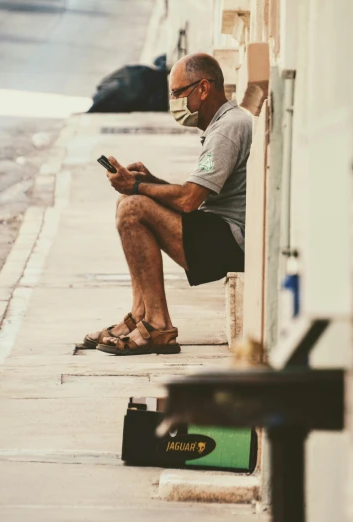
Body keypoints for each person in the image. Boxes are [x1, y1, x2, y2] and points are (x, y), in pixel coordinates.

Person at [83, 53, 252, 355]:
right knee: (129, 201)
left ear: (203, 88)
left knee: (133, 206)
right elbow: (196, 192)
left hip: (229, 241)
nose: (173, 101)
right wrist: (150, 181)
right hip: (216, 229)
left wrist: (137, 185)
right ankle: (139, 316)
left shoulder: (228, 129)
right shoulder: (222, 126)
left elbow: (189, 200)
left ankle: (158, 325)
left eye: (177, 93)